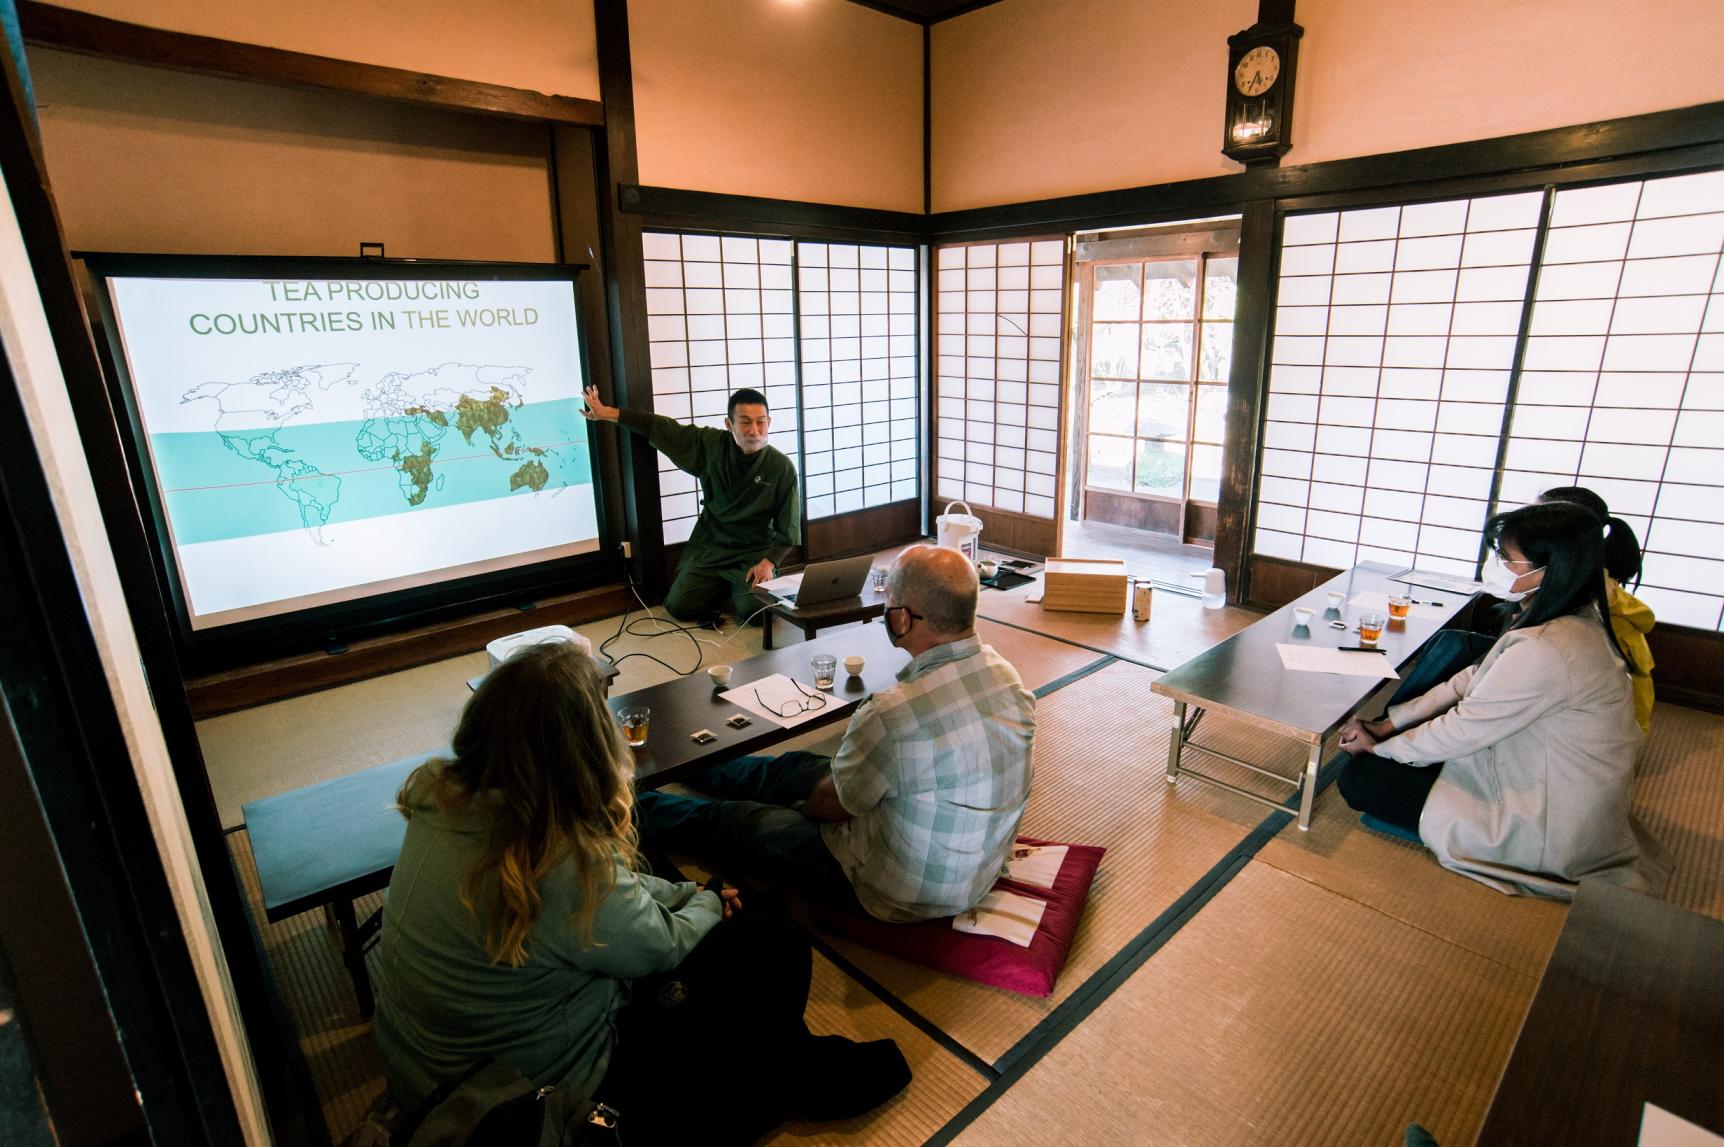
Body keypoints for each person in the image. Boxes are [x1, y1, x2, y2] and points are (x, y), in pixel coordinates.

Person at [372, 641, 908, 1143]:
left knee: (689, 882)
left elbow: (614, 894)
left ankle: (795, 1060)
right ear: (582, 745)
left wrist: (689, 894)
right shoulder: (556, 857)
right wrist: (704, 900)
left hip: (424, 1074)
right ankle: (793, 1076)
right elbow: (655, 946)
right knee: (775, 943)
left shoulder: (441, 798)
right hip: (538, 1100)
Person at [635, 544, 1036, 923]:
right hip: (974, 874)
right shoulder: (1008, 678)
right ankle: (697, 767)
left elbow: (832, 805)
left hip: (895, 890)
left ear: (901, 619)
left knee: (738, 820)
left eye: (887, 607)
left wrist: (797, 809)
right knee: (796, 766)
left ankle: (638, 810)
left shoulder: (892, 712)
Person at [1334, 501, 1668, 899]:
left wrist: (1382, 749)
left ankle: (1471, 837)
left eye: (1507, 559)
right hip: (1544, 777)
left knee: (1360, 777)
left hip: (1546, 822)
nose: (1494, 565)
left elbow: (1463, 728)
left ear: (1548, 571)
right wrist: (1388, 724)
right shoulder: (1572, 614)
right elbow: (1474, 678)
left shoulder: (1549, 647)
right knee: (1411, 743)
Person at [583, 385, 799, 625]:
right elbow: (662, 428)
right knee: (679, 606)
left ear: (769, 421)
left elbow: (787, 525)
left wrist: (769, 563)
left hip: (753, 552)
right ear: (729, 424)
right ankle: (729, 590)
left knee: (757, 614)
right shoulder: (710, 445)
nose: (754, 431)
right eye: (745, 422)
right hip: (712, 547)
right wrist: (608, 413)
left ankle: (739, 591)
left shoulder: (781, 467)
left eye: (761, 422)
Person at [1537, 485, 1656, 735]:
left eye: (1534, 520)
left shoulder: (1587, 590)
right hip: (1616, 723)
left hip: (1607, 734)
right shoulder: (1593, 577)